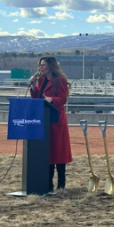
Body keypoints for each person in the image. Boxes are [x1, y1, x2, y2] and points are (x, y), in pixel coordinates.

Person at [29, 56, 72, 193]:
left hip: (56, 120)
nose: (41, 67)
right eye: (40, 65)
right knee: (47, 152)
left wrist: (51, 99)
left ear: (51, 66)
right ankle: (48, 184)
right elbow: (36, 99)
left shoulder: (59, 80)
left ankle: (61, 184)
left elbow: (63, 98)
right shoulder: (41, 80)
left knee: (58, 152)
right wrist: (33, 86)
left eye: (44, 65)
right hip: (44, 121)